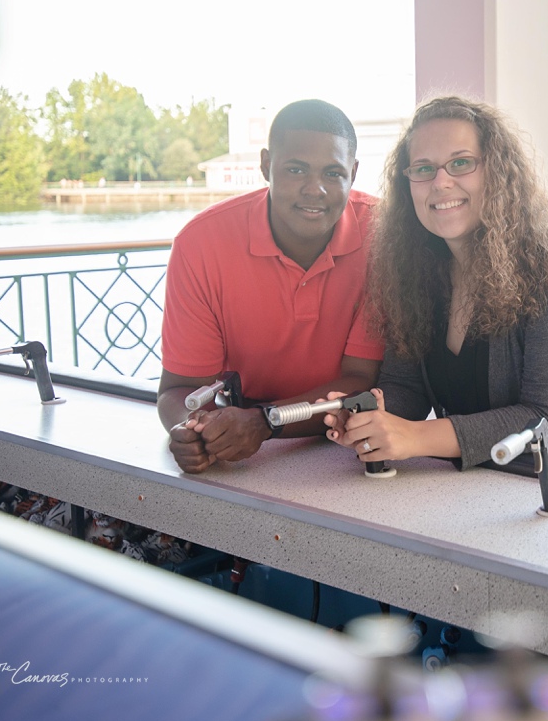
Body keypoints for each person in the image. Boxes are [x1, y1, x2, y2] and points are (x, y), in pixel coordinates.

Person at [325, 96, 548, 471]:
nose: (441, 182)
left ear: (498, 171)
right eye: (423, 168)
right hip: (489, 477)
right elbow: (407, 388)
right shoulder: (412, 268)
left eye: (461, 163)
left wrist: (415, 437)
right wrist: (370, 416)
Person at [159, 99, 382, 473]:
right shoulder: (200, 244)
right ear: (265, 165)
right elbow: (179, 389)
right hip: (252, 452)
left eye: (333, 173)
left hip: (349, 446)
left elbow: (362, 382)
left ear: (354, 173)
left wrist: (265, 421)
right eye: (296, 170)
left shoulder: (383, 236)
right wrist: (195, 430)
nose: (316, 190)